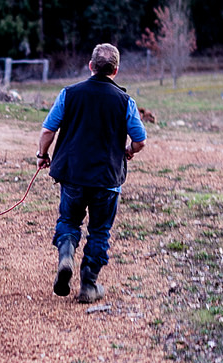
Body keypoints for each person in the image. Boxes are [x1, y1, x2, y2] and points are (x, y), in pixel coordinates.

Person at [36, 43, 146, 303]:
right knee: (99, 231)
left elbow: (47, 131)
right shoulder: (125, 101)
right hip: (107, 179)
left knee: (69, 221)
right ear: (116, 70)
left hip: (73, 174)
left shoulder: (69, 94)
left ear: (90, 66)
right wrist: (129, 150)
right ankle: (88, 285)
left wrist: (42, 155)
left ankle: (66, 256)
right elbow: (140, 140)